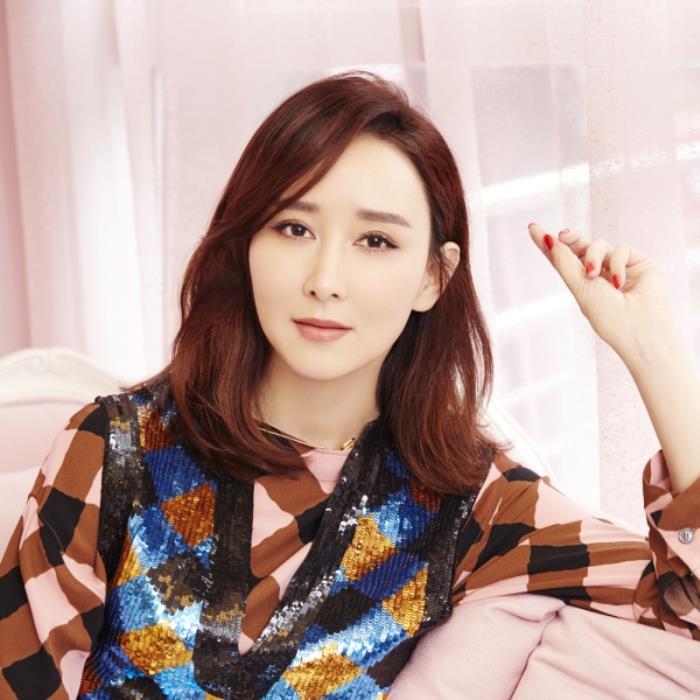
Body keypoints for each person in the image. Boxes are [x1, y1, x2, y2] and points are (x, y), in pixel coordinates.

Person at [0, 70, 698, 699]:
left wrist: (654, 351)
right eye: (293, 227)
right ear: (247, 245)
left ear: (434, 277)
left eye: (376, 241)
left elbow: (683, 611)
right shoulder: (115, 449)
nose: (325, 279)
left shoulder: (477, 504)